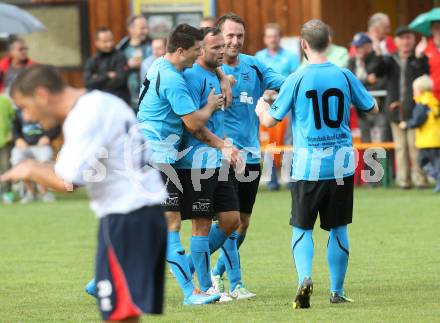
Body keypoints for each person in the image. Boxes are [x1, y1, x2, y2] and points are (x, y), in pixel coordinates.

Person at [1, 65, 167, 323]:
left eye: (24, 106)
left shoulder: (84, 116)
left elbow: (67, 181)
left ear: (42, 94)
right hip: (142, 213)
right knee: (123, 313)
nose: (28, 117)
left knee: (117, 315)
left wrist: (29, 168)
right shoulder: (104, 101)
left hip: (127, 216)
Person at [255, 19, 378, 308]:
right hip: (341, 163)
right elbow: (372, 107)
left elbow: (271, 120)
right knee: (338, 228)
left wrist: (262, 107)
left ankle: (305, 278)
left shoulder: (296, 78)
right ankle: (336, 291)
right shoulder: (344, 74)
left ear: (303, 44)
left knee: (302, 227)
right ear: (330, 41)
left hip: (308, 165)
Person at [137, 24, 231, 305]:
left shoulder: (159, 64)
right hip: (157, 157)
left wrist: (222, 74)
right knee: (172, 222)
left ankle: (102, 281)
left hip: (148, 154)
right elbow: (193, 123)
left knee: (150, 228)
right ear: (180, 51)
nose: (198, 55)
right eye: (195, 50)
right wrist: (211, 107)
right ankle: (191, 294)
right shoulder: (173, 81)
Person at [210, 13, 286, 293]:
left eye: (239, 36)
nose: (235, 41)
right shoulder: (207, 70)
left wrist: (270, 95)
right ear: (218, 37)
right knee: (229, 221)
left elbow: (284, 82)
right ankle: (237, 284)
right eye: (230, 35)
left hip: (252, 156)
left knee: (243, 223)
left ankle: (215, 271)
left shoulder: (254, 66)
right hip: (223, 157)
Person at [178, 27, 253, 301]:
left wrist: (227, 148)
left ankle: (186, 268)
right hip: (195, 163)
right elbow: (193, 126)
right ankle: (206, 286)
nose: (223, 51)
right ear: (201, 50)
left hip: (218, 159)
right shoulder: (190, 77)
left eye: (223, 46)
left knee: (231, 220)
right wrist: (223, 145)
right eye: (216, 48)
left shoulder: (216, 74)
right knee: (200, 225)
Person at [381, 26, 428, 189]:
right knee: (400, 148)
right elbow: (377, 70)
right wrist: (377, 51)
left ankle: (420, 179)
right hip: (395, 111)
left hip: (416, 111)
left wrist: (420, 57)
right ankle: (403, 181)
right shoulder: (390, 60)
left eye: (408, 37)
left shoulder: (419, 58)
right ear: (396, 41)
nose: (405, 41)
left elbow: (425, 74)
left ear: (413, 40)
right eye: (402, 38)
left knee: (416, 146)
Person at [256, 23, 299, 190]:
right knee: (267, 142)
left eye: (275, 36)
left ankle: (288, 178)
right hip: (266, 103)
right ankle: (272, 180)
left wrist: (279, 93)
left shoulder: (291, 56)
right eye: (269, 36)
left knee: (288, 141)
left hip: (286, 104)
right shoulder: (258, 57)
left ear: (279, 37)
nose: (272, 39)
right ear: (265, 39)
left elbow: (294, 80)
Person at [399, 75, 440, 192]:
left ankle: (438, 179)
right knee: (435, 162)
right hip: (435, 139)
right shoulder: (433, 102)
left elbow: (418, 120)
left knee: (422, 162)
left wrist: (406, 124)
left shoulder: (422, 105)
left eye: (414, 90)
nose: (413, 93)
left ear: (420, 91)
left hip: (427, 141)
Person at [11, 109, 60, 203]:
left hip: (41, 146)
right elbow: (14, 128)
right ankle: (30, 193)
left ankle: (44, 193)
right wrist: (17, 139)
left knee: (44, 162)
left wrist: (48, 137)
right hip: (24, 145)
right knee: (18, 160)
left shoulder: (44, 109)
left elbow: (56, 127)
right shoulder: (18, 111)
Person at [348, 32, 386, 143]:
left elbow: (379, 79)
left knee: (380, 139)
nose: (357, 49)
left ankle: (381, 161)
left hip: (379, 105)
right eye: (356, 46)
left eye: (360, 46)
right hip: (360, 106)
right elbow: (351, 81)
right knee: (366, 139)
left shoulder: (377, 58)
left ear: (369, 46)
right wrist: (366, 80)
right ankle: (368, 161)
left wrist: (366, 80)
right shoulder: (352, 61)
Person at [84, 27, 130, 104]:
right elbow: (88, 83)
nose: (109, 44)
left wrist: (97, 78)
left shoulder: (120, 57)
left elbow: (121, 80)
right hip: (99, 103)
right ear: (97, 43)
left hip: (119, 101)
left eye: (111, 40)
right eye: (105, 42)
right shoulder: (92, 61)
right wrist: (107, 75)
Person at [117, 15, 152, 110]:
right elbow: (114, 72)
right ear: (131, 29)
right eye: (142, 28)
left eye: (146, 28)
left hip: (148, 101)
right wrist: (127, 66)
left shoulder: (152, 46)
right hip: (126, 101)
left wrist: (144, 65)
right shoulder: (121, 49)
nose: (146, 31)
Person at [414, 21, 440, 100]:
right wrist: (419, 58)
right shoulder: (425, 48)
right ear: (431, 30)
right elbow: (420, 74)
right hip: (432, 92)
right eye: (436, 28)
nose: (439, 30)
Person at [0, 95, 15, 203]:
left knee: (6, 168)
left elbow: (14, 118)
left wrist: (11, 133)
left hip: (4, 141)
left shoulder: (5, 100)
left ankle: (7, 194)